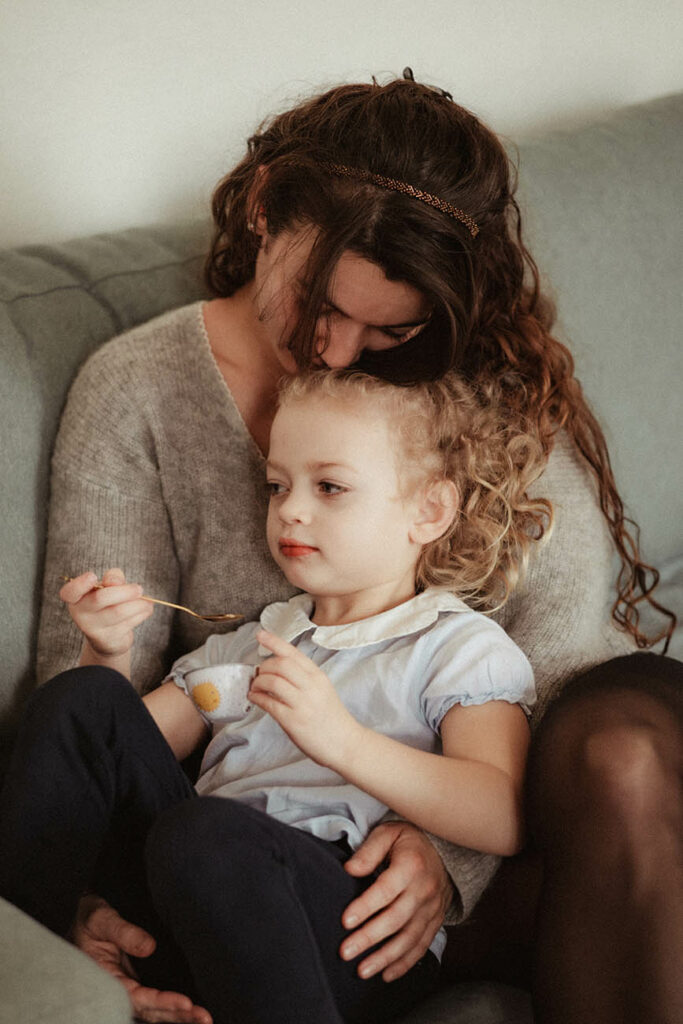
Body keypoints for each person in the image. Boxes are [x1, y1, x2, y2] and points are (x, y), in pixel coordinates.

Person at [34, 70, 680, 1023]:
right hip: (267, 849)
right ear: (263, 212)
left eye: (392, 330)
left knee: (624, 753)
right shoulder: (137, 393)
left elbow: (560, 664)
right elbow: (94, 710)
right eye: (318, 305)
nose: (337, 352)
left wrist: (442, 854)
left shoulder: (473, 379)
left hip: (490, 799)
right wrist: (77, 902)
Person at [2, 369, 551, 1024]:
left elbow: (501, 814)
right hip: (181, 898)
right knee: (82, 697)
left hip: (338, 927)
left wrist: (343, 741)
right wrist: (106, 652)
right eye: (277, 485)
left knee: (205, 832)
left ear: (427, 511)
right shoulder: (255, 640)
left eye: (330, 487)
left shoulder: (457, 648)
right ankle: (34, 965)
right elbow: (108, 751)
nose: (290, 508)